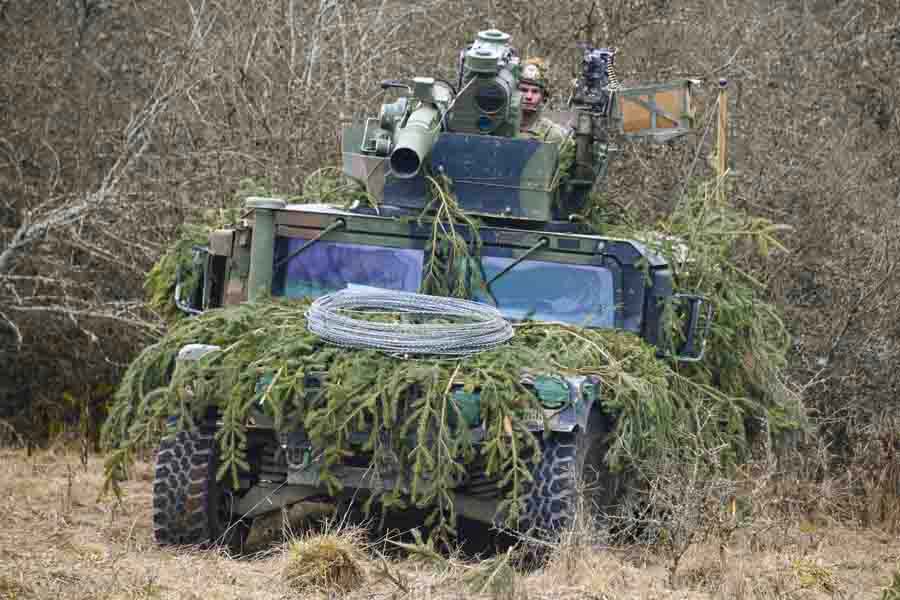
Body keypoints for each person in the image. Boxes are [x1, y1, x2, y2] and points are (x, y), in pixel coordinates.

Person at [517, 58, 569, 144]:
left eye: (535, 91)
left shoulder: (552, 135)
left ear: (543, 97)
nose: (529, 97)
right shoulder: (498, 128)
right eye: (523, 90)